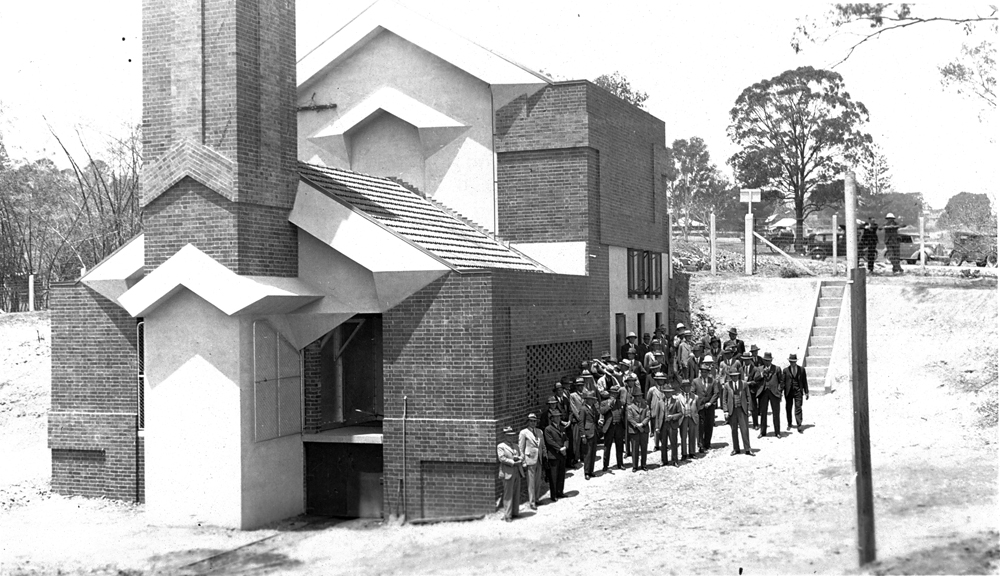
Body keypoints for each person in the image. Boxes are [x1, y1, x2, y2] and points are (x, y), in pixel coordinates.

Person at [721, 369, 754, 456]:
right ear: (730, 377)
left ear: (738, 376)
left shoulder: (744, 384)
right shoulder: (727, 385)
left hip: (742, 409)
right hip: (732, 410)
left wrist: (749, 409)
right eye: (732, 376)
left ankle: (748, 448)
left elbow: (748, 396)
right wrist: (725, 411)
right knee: (734, 430)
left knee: (745, 430)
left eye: (736, 375)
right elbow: (724, 399)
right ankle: (736, 449)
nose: (734, 377)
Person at [754, 352, 784, 439]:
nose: (767, 362)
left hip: (774, 392)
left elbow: (781, 381)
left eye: (768, 360)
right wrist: (762, 374)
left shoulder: (777, 369)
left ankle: (777, 432)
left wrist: (779, 390)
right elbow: (755, 379)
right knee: (763, 413)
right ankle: (762, 432)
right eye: (765, 360)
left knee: (776, 412)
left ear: (771, 360)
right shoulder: (760, 369)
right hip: (763, 392)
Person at [693, 360, 721, 453]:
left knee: (709, 425)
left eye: (706, 372)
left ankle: (707, 443)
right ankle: (700, 444)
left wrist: (710, 402)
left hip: (710, 407)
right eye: (702, 371)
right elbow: (693, 393)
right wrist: (697, 402)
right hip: (700, 406)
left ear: (708, 372)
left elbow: (716, 393)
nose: (704, 373)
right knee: (700, 426)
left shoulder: (712, 381)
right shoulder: (695, 381)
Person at [497, 426, 523, 521]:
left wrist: (519, 459)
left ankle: (515, 512)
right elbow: (502, 458)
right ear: (504, 436)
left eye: (512, 435)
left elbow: (521, 455)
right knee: (508, 494)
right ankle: (507, 515)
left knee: (516, 492)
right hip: (507, 471)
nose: (511, 437)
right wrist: (512, 461)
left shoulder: (516, 446)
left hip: (517, 471)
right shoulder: (501, 446)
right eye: (508, 436)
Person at [518, 414, 544, 510]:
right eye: (531, 421)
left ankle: (537, 498)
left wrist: (544, 454)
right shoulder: (524, 433)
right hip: (530, 459)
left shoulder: (540, 432)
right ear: (528, 422)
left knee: (538, 480)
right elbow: (521, 448)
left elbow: (542, 445)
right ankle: (532, 502)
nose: (533, 423)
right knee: (531, 482)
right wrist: (523, 461)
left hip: (539, 459)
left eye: (534, 421)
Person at [543, 411, 568, 501]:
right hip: (553, 455)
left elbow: (566, 439)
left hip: (562, 455)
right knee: (553, 476)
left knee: (561, 474)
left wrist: (565, 447)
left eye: (559, 417)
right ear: (552, 418)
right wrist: (559, 449)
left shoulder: (562, 428)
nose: (558, 419)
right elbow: (550, 442)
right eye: (556, 417)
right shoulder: (548, 429)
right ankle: (553, 495)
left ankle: (560, 491)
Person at [782, 354, 810, 433]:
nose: (792, 363)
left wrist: (806, 392)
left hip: (798, 391)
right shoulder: (785, 370)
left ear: (796, 361)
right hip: (789, 392)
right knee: (788, 408)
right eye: (791, 362)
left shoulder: (801, 370)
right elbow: (783, 382)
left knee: (798, 407)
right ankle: (789, 423)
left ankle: (799, 424)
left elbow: (804, 381)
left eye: (794, 362)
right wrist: (780, 392)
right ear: (789, 361)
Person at [600, 387, 626, 471]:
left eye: (615, 394)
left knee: (619, 446)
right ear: (609, 394)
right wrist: (609, 405)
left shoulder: (620, 403)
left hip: (618, 426)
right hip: (609, 427)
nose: (614, 395)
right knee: (607, 446)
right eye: (612, 394)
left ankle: (620, 464)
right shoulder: (604, 403)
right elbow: (602, 411)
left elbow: (623, 414)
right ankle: (605, 465)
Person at [627, 392, 650, 472]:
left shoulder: (646, 406)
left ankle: (644, 464)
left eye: (640, 396)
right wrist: (637, 425)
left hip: (644, 430)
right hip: (634, 430)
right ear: (634, 397)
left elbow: (648, 416)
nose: (639, 398)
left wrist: (642, 424)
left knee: (644, 448)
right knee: (634, 449)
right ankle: (635, 466)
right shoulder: (630, 407)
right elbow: (629, 418)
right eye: (637, 396)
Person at [677, 379, 699, 459]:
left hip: (692, 417)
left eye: (689, 386)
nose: (687, 388)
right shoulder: (678, 397)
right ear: (682, 388)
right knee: (683, 436)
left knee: (692, 435)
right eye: (685, 386)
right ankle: (684, 453)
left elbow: (697, 407)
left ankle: (692, 452)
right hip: (683, 418)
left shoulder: (695, 396)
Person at [580, 391, 600, 480]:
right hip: (588, 433)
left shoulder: (594, 408)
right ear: (587, 400)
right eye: (590, 400)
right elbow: (581, 423)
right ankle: (586, 472)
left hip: (594, 432)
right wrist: (583, 435)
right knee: (587, 453)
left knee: (593, 452)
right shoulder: (583, 409)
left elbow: (597, 417)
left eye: (593, 400)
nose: (592, 401)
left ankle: (591, 471)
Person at [647, 371, 668, 451]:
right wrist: (649, 410)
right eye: (659, 380)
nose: (661, 381)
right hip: (654, 411)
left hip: (664, 411)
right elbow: (648, 401)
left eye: (662, 380)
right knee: (656, 428)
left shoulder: (666, 389)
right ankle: (656, 445)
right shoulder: (652, 390)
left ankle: (664, 443)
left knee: (664, 428)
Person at [568, 378, 585, 467]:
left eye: (582, 385)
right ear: (576, 387)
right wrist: (579, 418)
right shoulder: (573, 395)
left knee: (584, 438)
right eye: (579, 386)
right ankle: (576, 457)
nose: (581, 387)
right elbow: (573, 408)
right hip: (577, 420)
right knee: (576, 439)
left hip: (584, 419)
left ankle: (583, 455)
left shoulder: (585, 394)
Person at [741, 351, 760, 430]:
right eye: (744, 360)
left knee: (753, 407)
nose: (746, 361)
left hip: (752, 390)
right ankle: (744, 423)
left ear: (750, 359)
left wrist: (748, 383)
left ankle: (755, 424)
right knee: (743, 407)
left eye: (747, 359)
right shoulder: (741, 369)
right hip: (743, 391)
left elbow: (757, 381)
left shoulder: (755, 369)